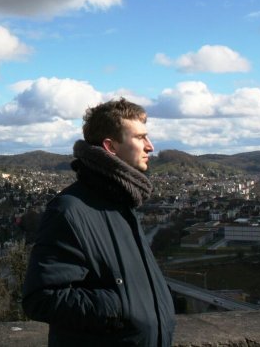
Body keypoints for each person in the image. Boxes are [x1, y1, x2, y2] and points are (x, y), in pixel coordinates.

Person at [22, 98, 176, 346]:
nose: (151, 146)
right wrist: (121, 306)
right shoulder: (70, 209)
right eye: (140, 138)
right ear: (110, 146)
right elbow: (41, 297)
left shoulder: (122, 202)